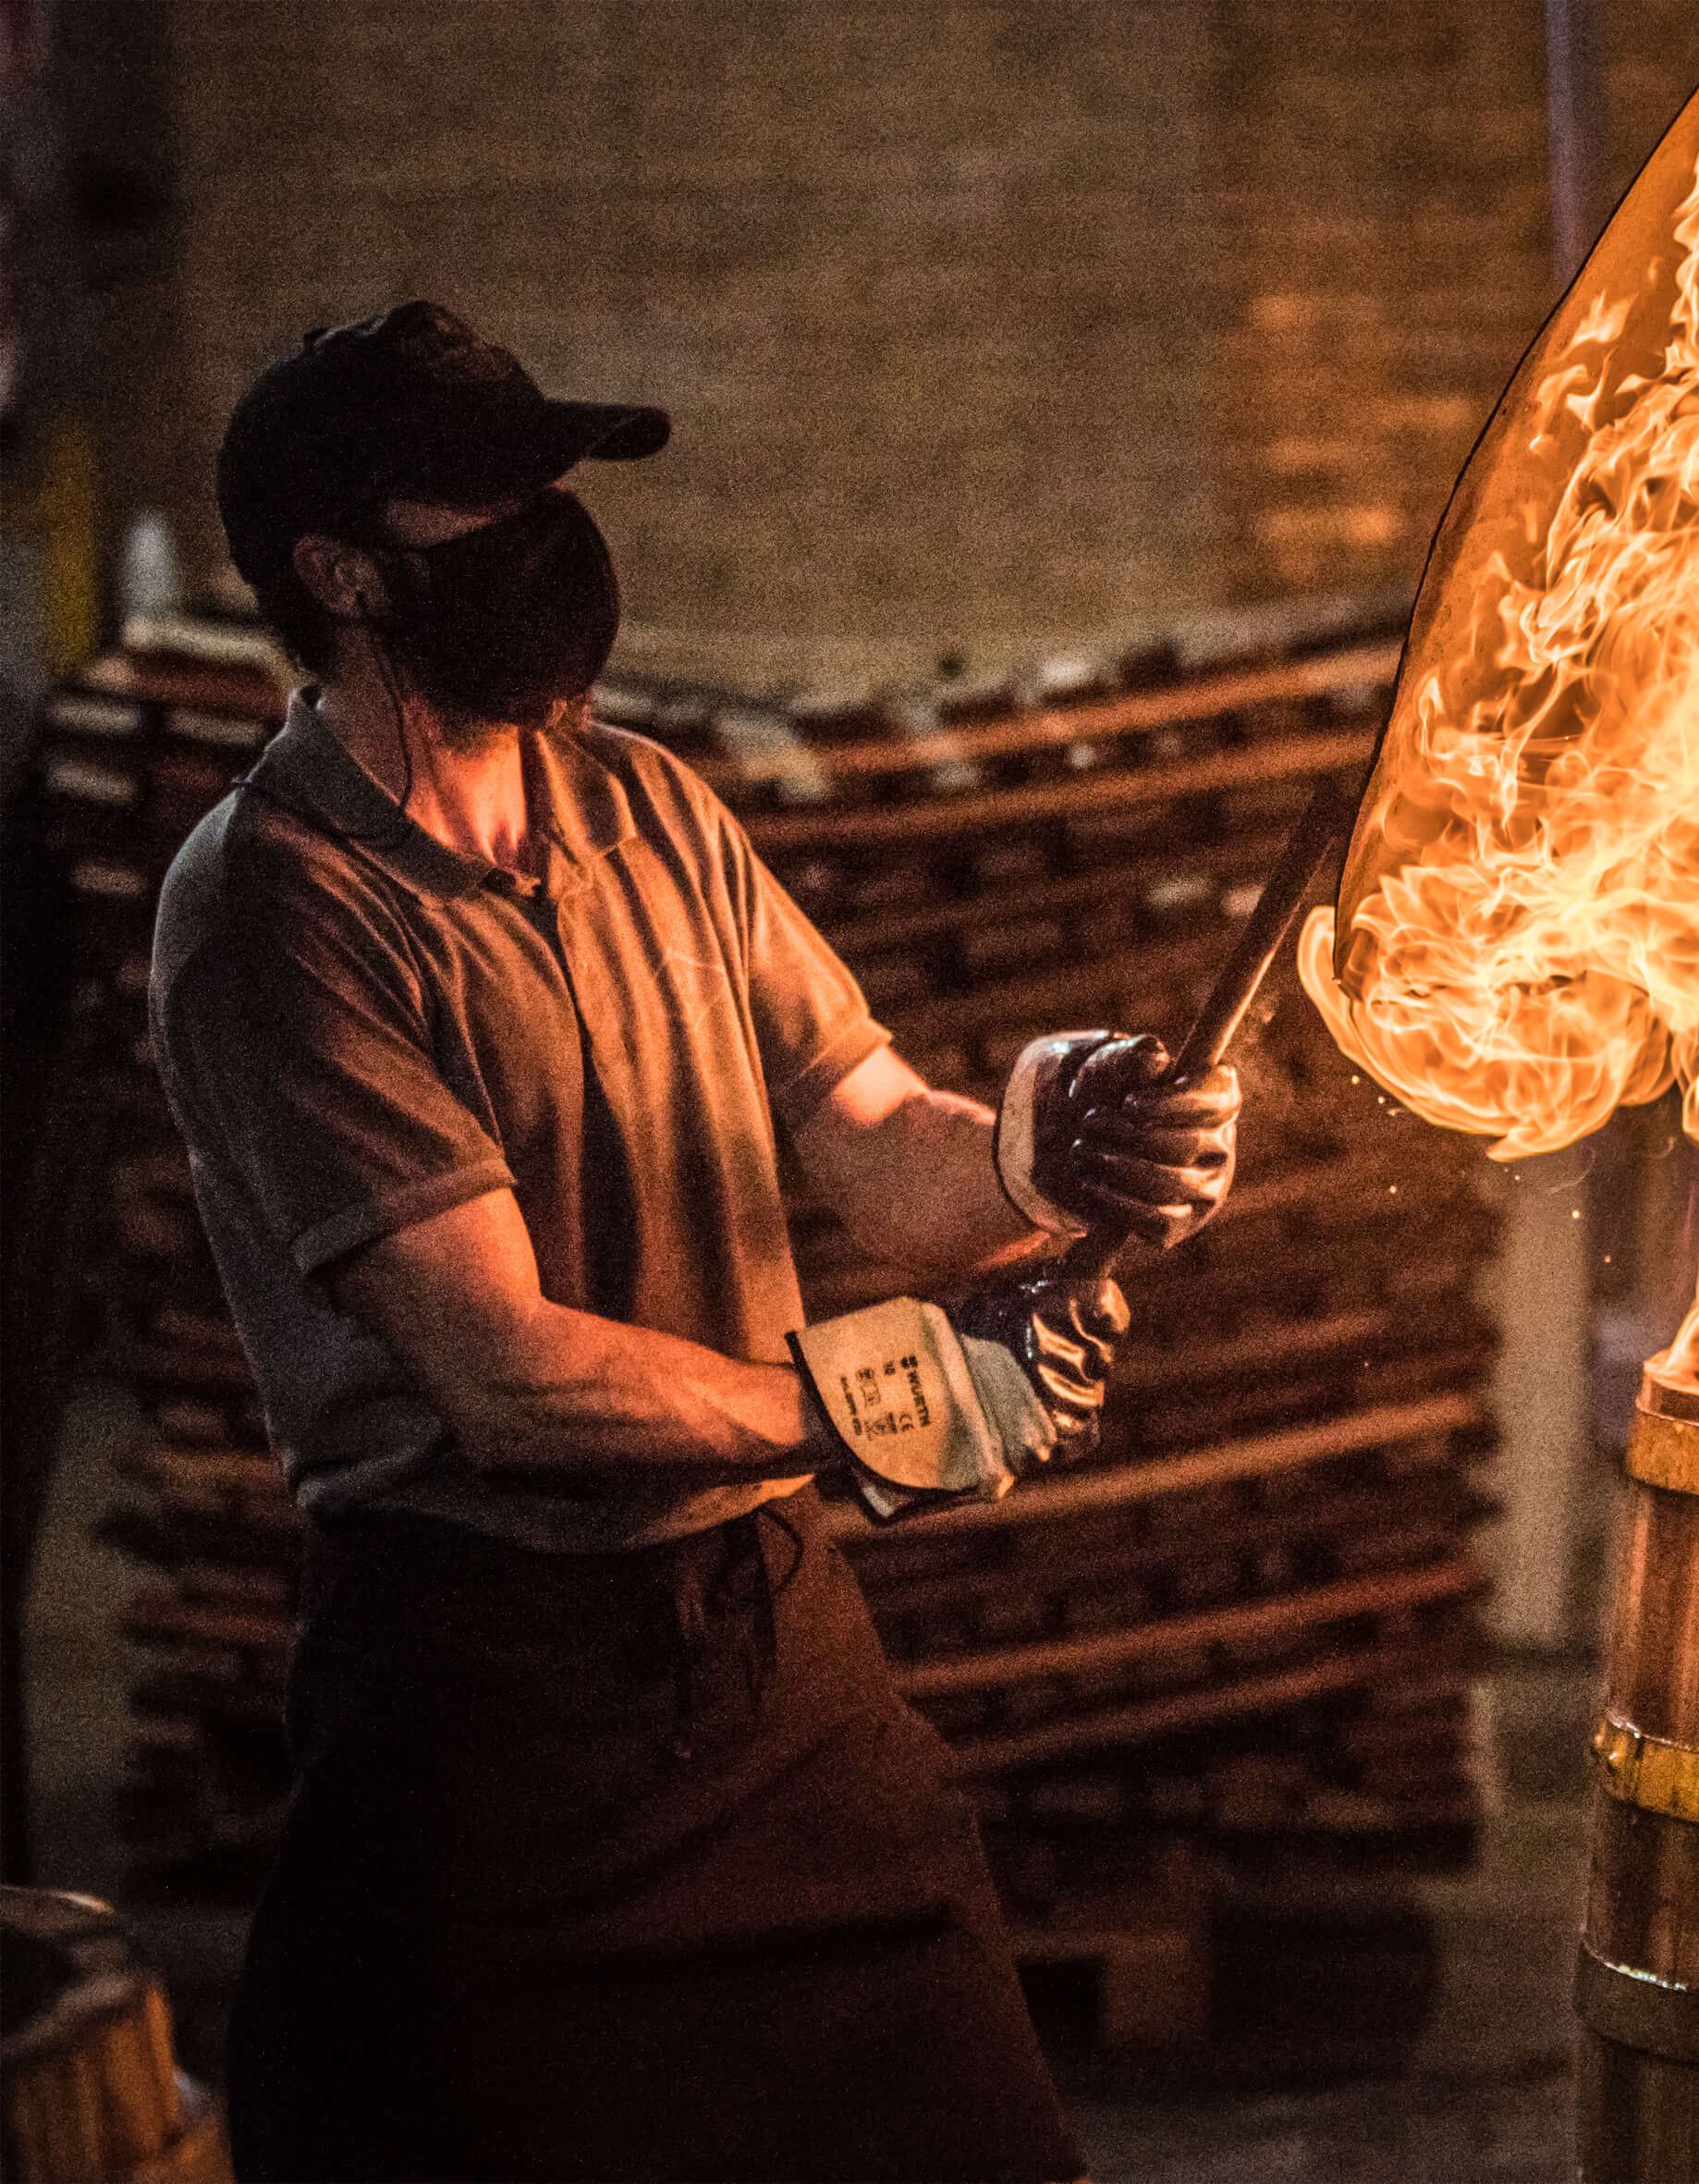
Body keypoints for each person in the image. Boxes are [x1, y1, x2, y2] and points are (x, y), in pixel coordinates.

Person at [150, 301, 1239, 2182]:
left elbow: (884, 1142)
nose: (551, 535)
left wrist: (1058, 1154)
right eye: (488, 507)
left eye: (551, 487)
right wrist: (888, 1395)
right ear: (338, 568)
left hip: (772, 1661)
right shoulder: (279, 910)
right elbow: (506, 1376)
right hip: (491, 1703)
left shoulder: (652, 809)